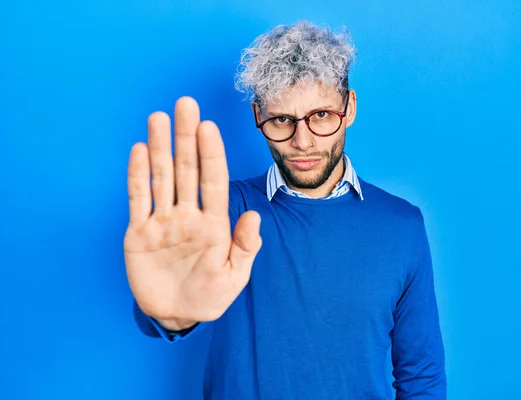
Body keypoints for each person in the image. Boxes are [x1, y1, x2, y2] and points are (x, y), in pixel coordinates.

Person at [124, 20, 446, 399]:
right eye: (282, 120)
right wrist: (170, 317)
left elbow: (422, 378)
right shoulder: (222, 212)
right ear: (258, 116)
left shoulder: (402, 226)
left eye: (321, 115)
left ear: (349, 107)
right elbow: (167, 300)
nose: (303, 141)